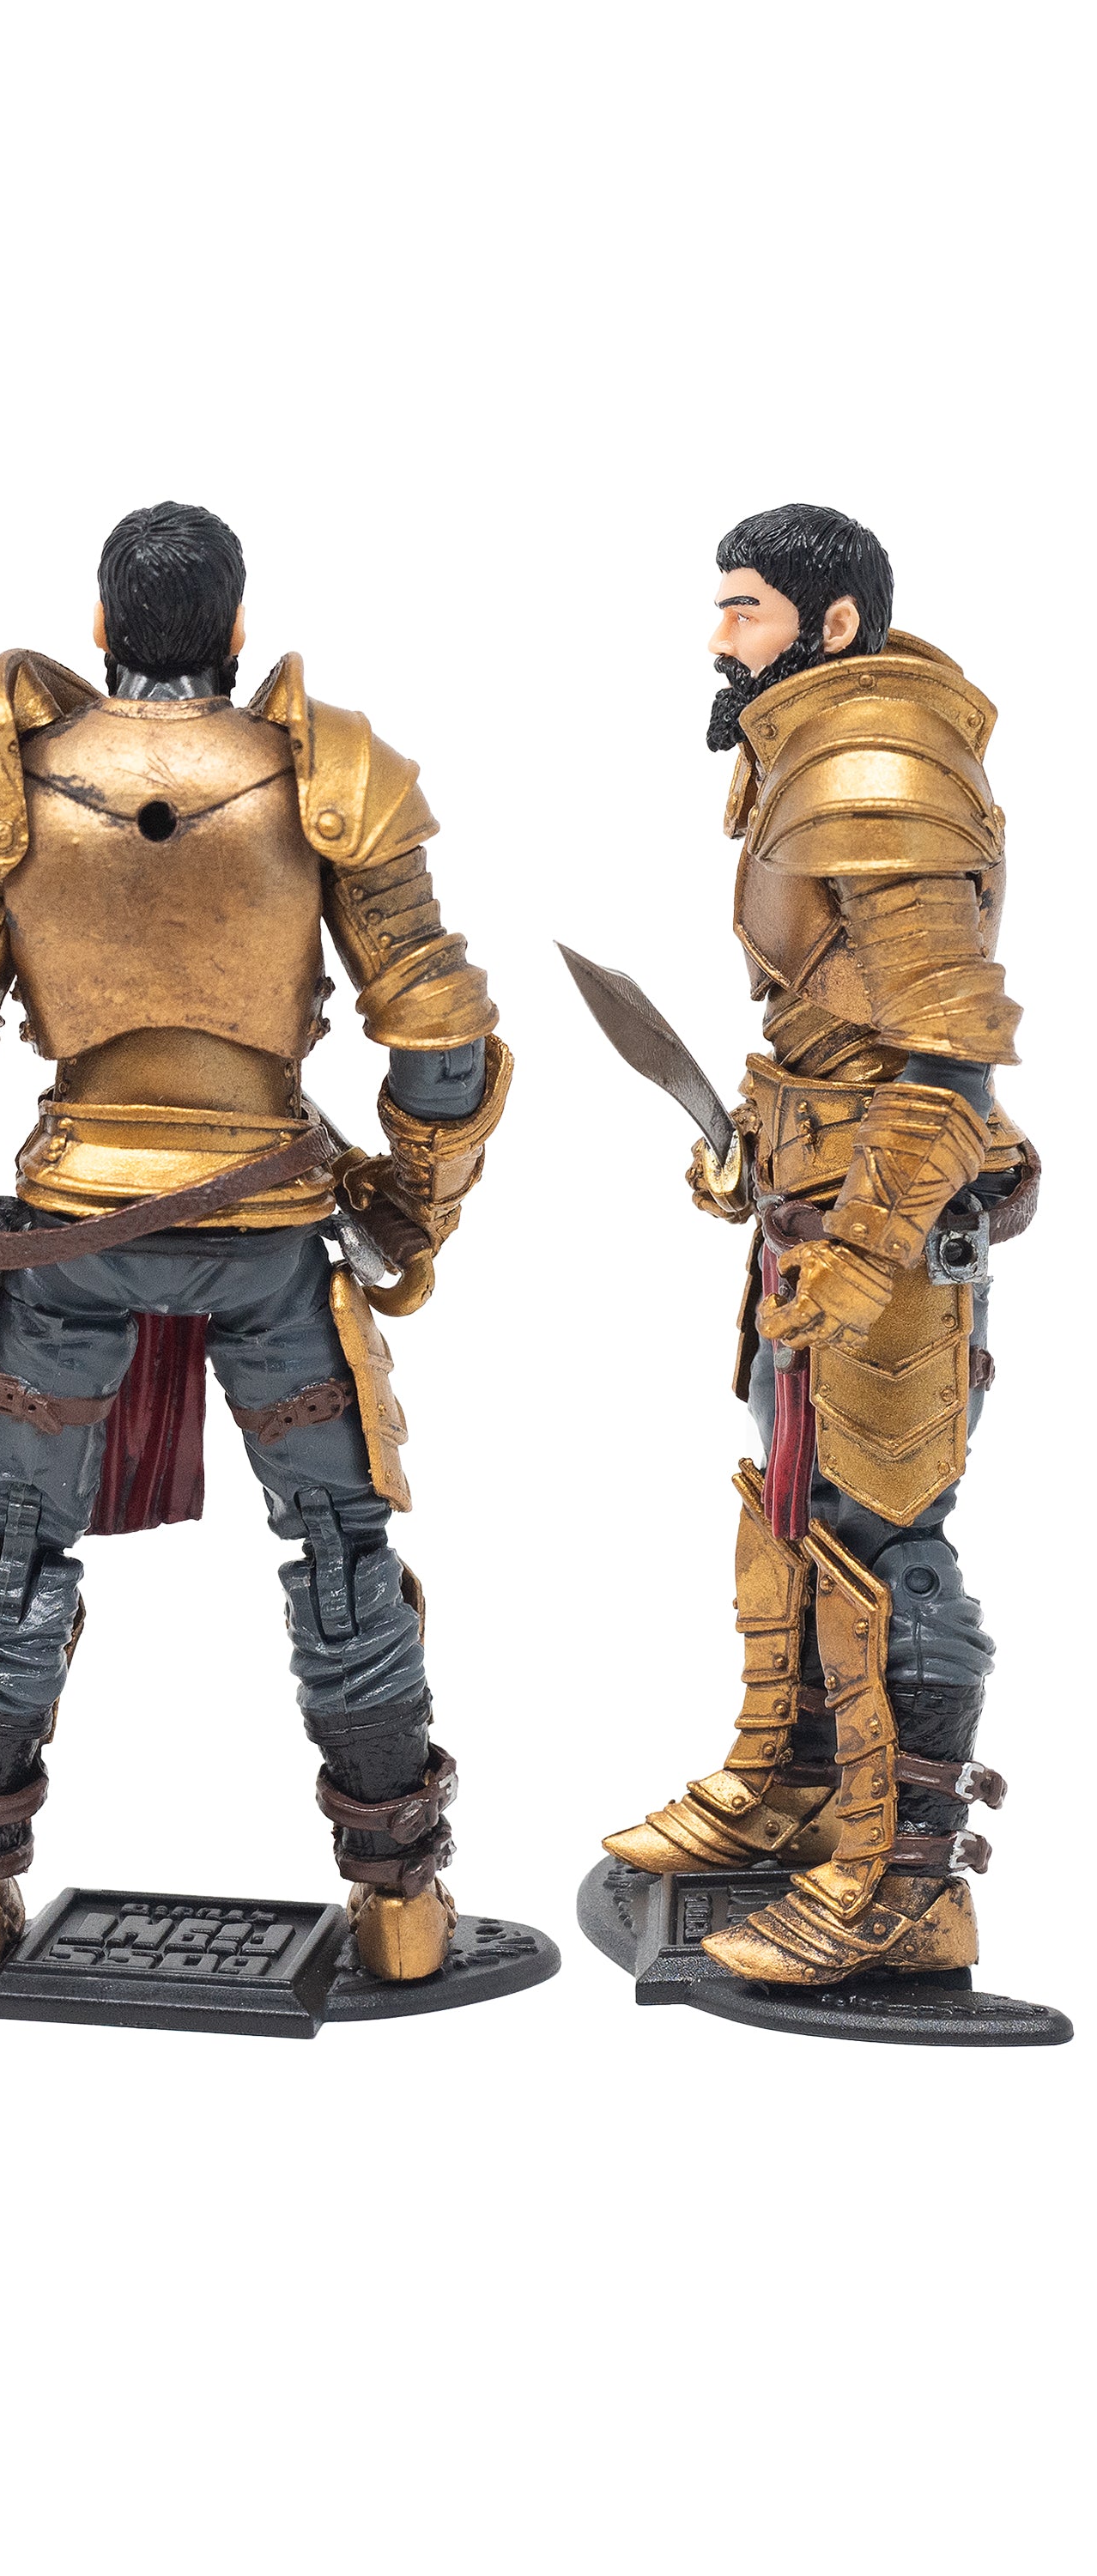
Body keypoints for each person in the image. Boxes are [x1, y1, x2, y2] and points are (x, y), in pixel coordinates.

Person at [0, 501, 508, 1987]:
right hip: (268, 1238)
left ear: (100, 626)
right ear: (237, 624)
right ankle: (403, 1912)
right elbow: (441, 1040)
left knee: (15, 1556)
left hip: (70, 1235)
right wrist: (410, 1212)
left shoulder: (3, 781)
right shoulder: (328, 773)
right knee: (341, 1553)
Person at [604, 502, 1030, 1984]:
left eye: (745, 610)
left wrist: (860, 1253)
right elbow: (841, 1023)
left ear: (831, 623)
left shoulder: (874, 762)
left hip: (883, 1227)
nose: (719, 639)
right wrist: (759, 1142)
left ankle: (908, 1888)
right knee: (798, 1505)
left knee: (887, 1535)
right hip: (819, 1200)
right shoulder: (816, 747)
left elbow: (947, 1060)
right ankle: (793, 1793)